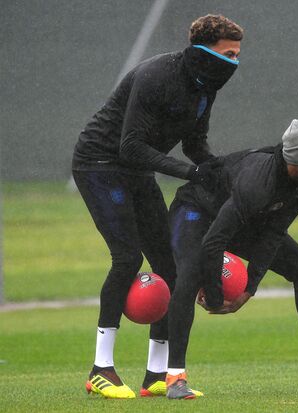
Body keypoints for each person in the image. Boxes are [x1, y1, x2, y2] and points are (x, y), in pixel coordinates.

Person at [71, 14, 243, 399]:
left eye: (237, 55)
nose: (235, 63)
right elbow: (129, 146)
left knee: (170, 267)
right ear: (203, 51)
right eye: (228, 54)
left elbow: (195, 144)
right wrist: (191, 173)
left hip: (137, 172)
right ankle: (101, 369)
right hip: (100, 164)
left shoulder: (206, 86)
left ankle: (157, 376)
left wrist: (219, 171)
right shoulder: (157, 76)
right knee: (127, 258)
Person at [166, 119, 298, 399]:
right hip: (197, 209)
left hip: (242, 220)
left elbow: (274, 233)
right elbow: (213, 242)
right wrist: (217, 299)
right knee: (191, 273)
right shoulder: (257, 183)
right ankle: (174, 378)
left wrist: (249, 288)